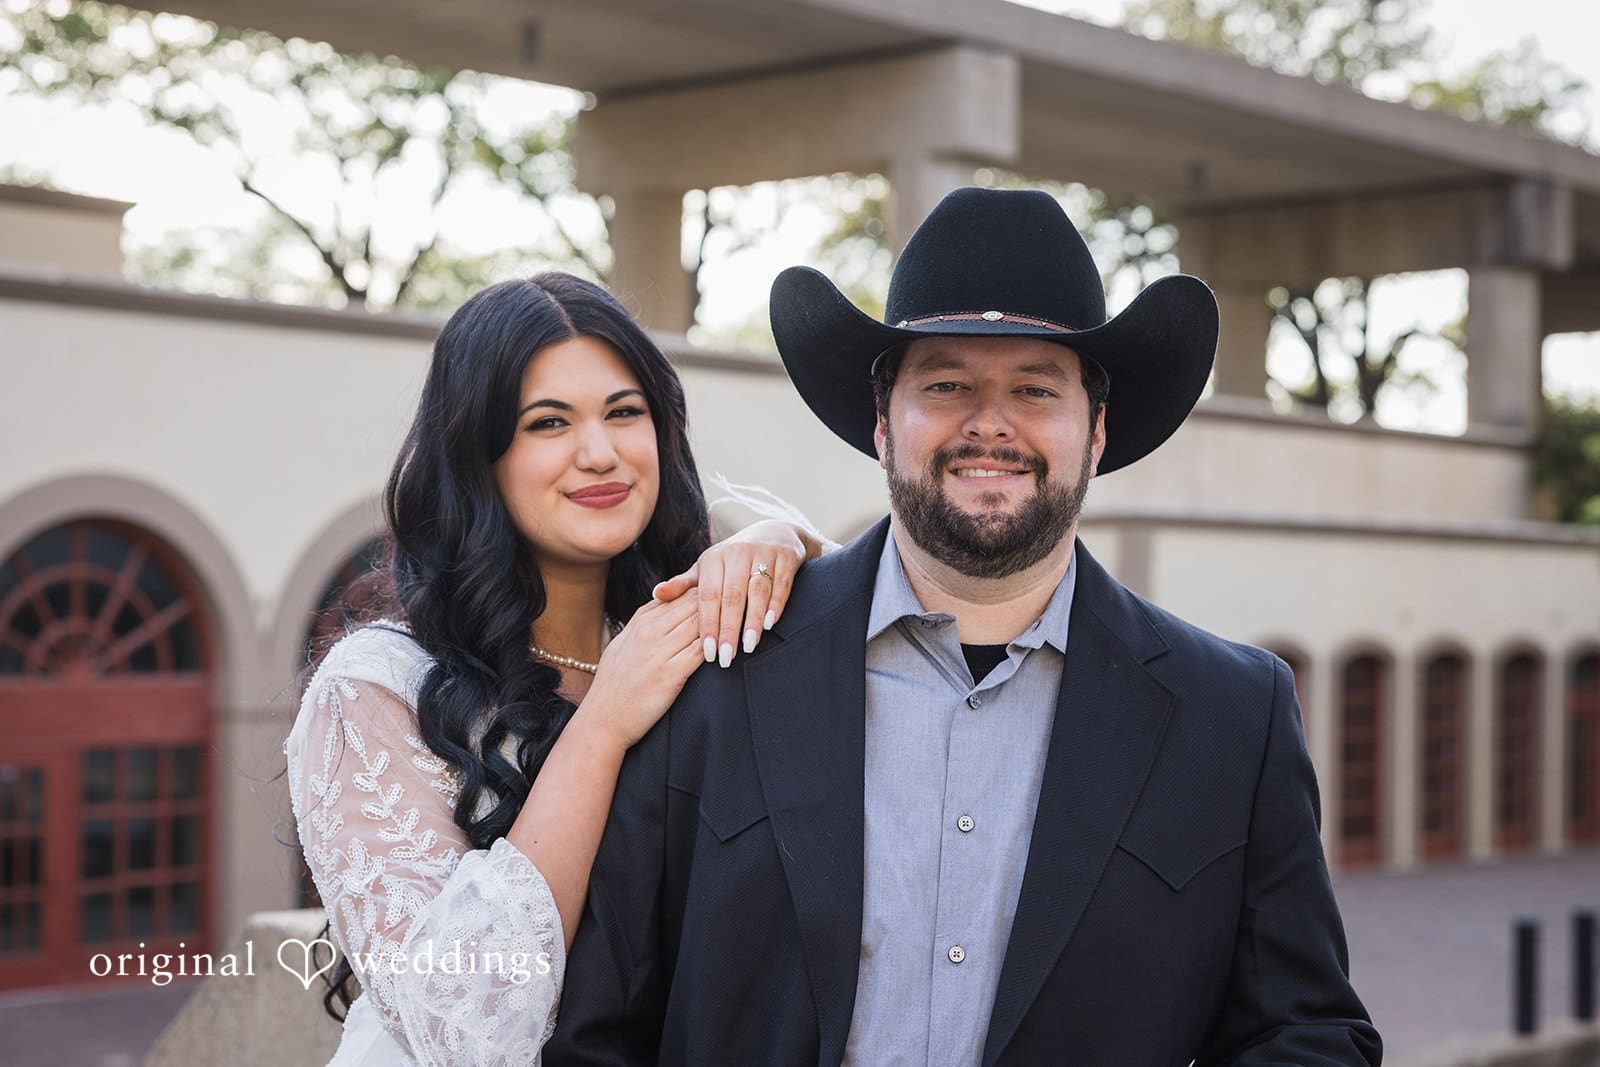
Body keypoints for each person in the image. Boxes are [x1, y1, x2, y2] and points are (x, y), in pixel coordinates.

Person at [545, 187, 1382, 1065]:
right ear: (882, 424)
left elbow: (1309, 1032)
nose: (990, 423)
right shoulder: (716, 665)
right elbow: (599, 1031)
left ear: (1096, 431)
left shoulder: (1233, 718)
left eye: (1035, 387)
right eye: (946, 384)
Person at [283, 272, 826, 1066]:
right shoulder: (373, 689)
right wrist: (602, 725)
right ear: (479, 455)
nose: (600, 453)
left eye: (625, 412)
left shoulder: (678, 637)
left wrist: (786, 542)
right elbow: (458, 1026)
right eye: (548, 422)